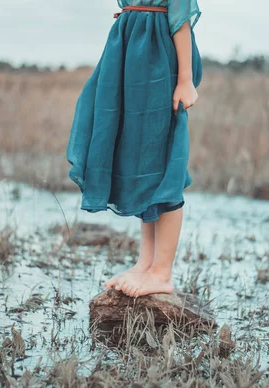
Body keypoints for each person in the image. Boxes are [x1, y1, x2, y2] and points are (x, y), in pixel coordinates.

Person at [66, 0, 202, 297]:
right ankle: (146, 263)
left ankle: (162, 272)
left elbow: (180, 18)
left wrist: (185, 80)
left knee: (162, 160)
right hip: (128, 52)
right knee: (140, 161)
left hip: (157, 55)